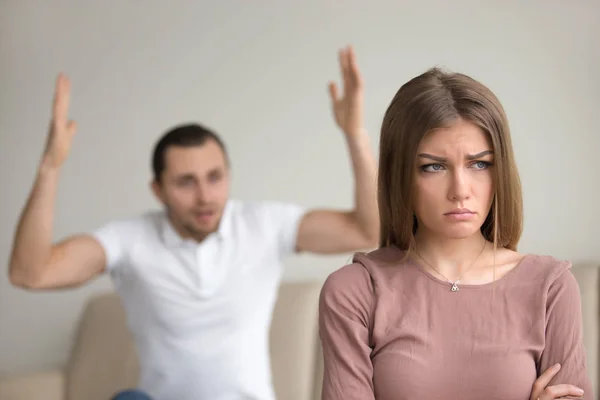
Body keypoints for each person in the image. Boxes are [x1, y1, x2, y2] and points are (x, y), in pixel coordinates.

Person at [8, 46, 379, 400]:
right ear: (158, 190)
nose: (205, 196)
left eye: (215, 177)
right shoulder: (129, 240)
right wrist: (50, 167)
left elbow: (368, 230)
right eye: (186, 182)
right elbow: (31, 273)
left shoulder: (264, 225)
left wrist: (355, 135)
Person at [318, 67, 593, 400]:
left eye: (479, 164)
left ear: (500, 169)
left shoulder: (551, 288)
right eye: (434, 166)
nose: (460, 190)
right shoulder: (356, 291)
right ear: (400, 174)